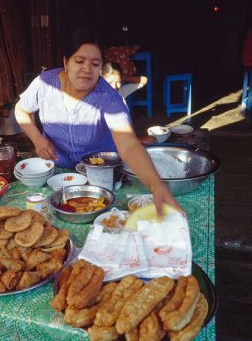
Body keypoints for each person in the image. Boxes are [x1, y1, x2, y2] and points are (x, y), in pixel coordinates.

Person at [14, 30, 181, 214]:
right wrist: (37, 139)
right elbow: (22, 109)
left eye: (95, 64)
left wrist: (156, 186)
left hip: (100, 175)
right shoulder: (45, 84)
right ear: (65, 62)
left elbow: (129, 145)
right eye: (79, 61)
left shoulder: (109, 99)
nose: (87, 69)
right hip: (57, 173)